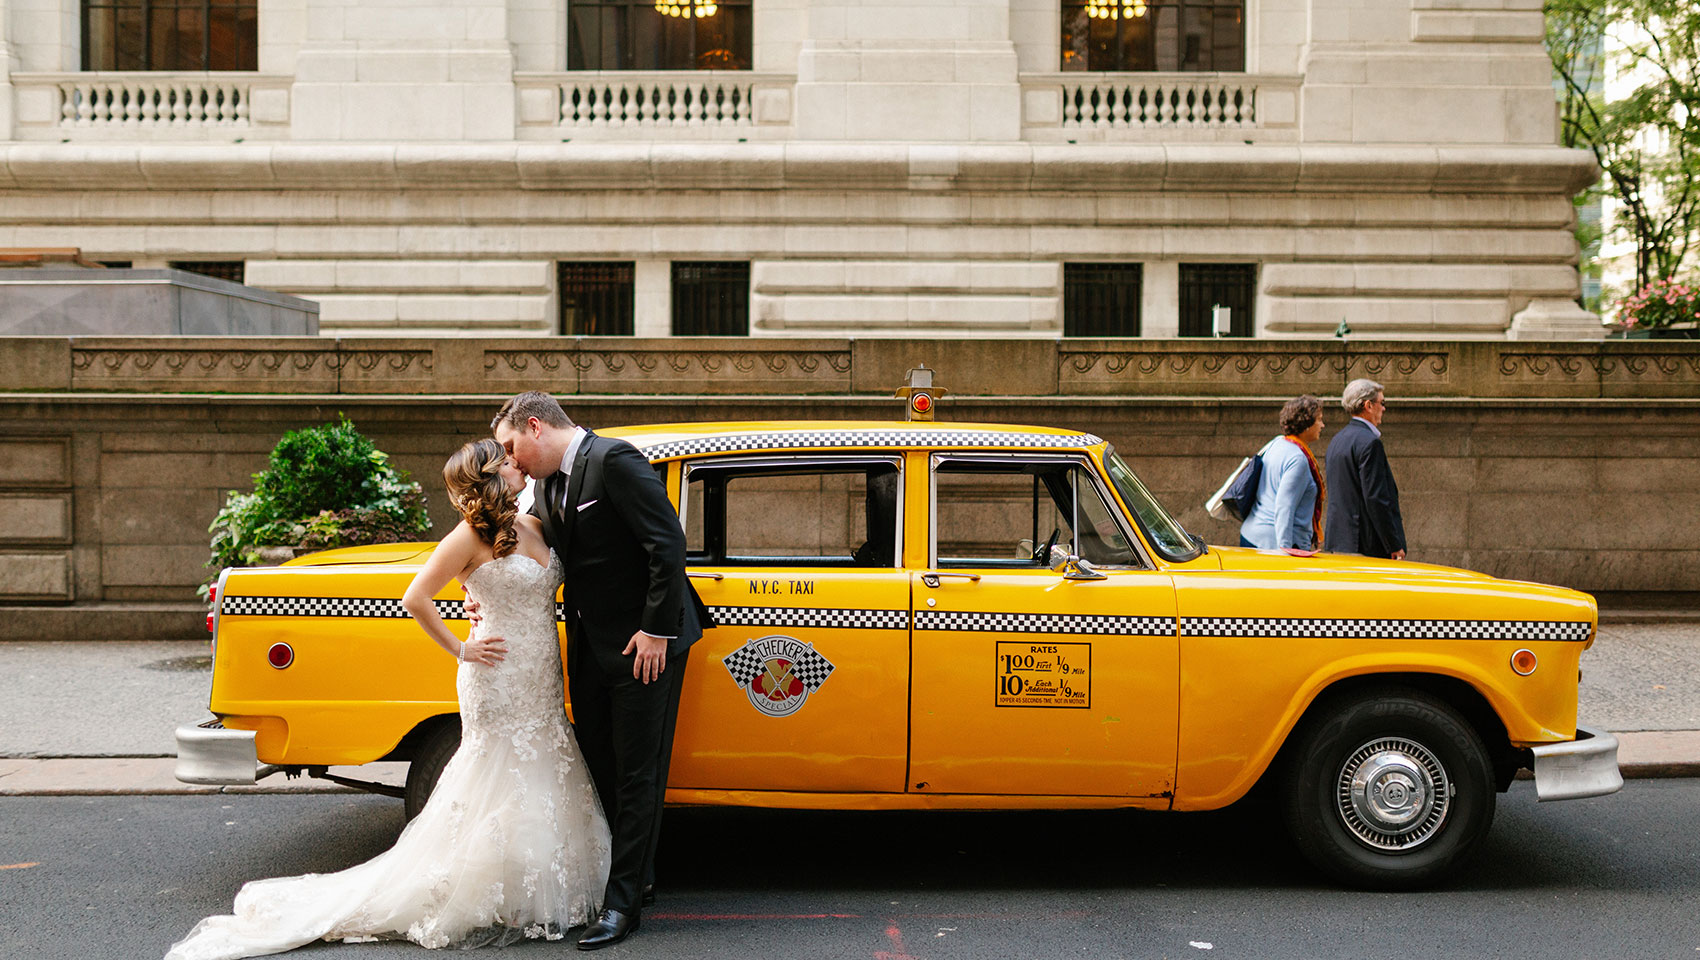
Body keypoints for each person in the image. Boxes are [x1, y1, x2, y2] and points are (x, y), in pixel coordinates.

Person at [166, 439, 610, 960]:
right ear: (488, 476)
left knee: (542, 769)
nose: (518, 465)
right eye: (508, 461)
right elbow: (415, 596)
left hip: (540, 674)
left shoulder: (533, 525)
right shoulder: (467, 537)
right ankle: (487, 890)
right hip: (496, 675)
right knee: (496, 774)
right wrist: (462, 647)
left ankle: (529, 887)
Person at [488, 391, 710, 950]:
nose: (511, 461)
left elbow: (667, 544)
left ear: (535, 427)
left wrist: (657, 629)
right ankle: (639, 876)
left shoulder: (614, 460)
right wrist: (481, 589)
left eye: (511, 447)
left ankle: (623, 906)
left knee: (639, 771)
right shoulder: (546, 486)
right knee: (600, 765)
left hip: (644, 642)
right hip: (591, 646)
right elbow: (521, 547)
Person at [1324, 378, 1407, 560]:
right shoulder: (1370, 443)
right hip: (1365, 545)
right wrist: (1393, 543)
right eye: (1382, 403)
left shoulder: (1337, 440)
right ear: (1368, 405)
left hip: (1337, 541)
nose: (1384, 409)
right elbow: (1376, 498)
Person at [1239, 394, 1327, 551]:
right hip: (1274, 544)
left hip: (1252, 534)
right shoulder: (1298, 459)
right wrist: (1285, 552)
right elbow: (1284, 507)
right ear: (1306, 423)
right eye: (1319, 419)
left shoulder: (1277, 443)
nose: (1322, 425)